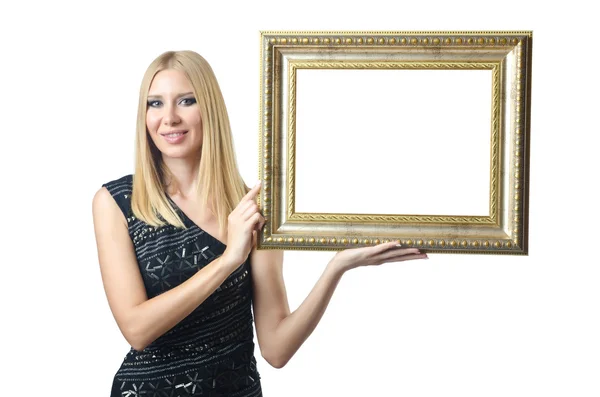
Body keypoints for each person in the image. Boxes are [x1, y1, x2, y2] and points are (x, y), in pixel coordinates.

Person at [92, 50, 428, 397]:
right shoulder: (117, 202)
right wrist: (227, 262)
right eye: (155, 104)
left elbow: (276, 349)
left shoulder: (253, 209)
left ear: (210, 109)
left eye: (186, 101)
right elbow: (136, 329)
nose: (170, 118)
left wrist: (336, 268)